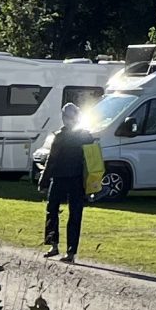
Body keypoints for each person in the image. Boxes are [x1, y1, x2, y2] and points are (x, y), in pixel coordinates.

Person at [41, 102, 92, 261]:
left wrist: (44, 180)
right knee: (71, 213)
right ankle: (67, 250)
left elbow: (52, 160)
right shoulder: (85, 136)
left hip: (63, 178)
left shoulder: (62, 136)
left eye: (68, 117)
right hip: (73, 179)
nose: (67, 120)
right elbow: (92, 160)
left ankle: (58, 246)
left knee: (55, 211)